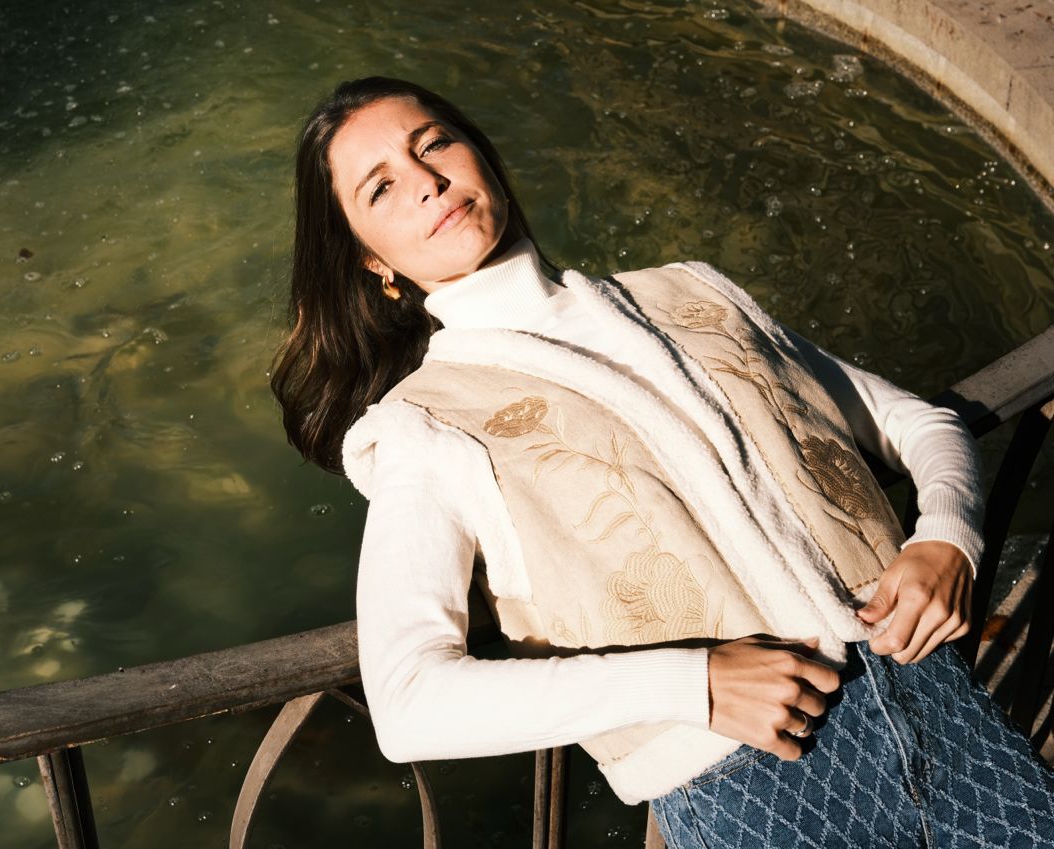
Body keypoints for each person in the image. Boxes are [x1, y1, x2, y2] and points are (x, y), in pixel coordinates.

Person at [270, 76, 1054, 848]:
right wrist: (692, 683)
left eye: (435, 143)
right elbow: (408, 701)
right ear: (371, 261)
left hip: (942, 707)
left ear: (480, 153)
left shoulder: (689, 293)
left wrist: (947, 535)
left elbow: (912, 420)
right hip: (761, 792)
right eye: (381, 187)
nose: (427, 182)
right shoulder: (425, 426)